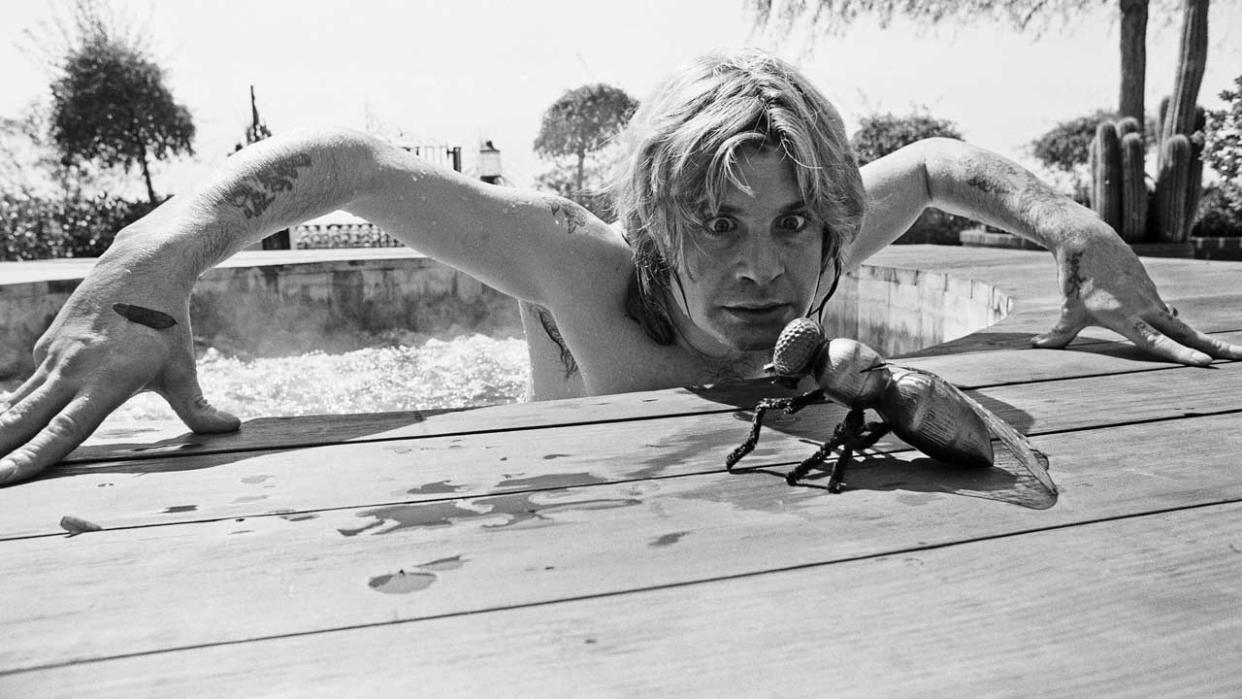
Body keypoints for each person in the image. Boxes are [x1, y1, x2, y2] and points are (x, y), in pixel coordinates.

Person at [1, 49, 1238, 486]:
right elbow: (356, 161)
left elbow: (947, 159)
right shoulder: (582, 270)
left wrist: (1075, 228)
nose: (759, 269)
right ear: (655, 223)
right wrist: (149, 266)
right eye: (715, 224)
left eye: (794, 226)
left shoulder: (814, 241)